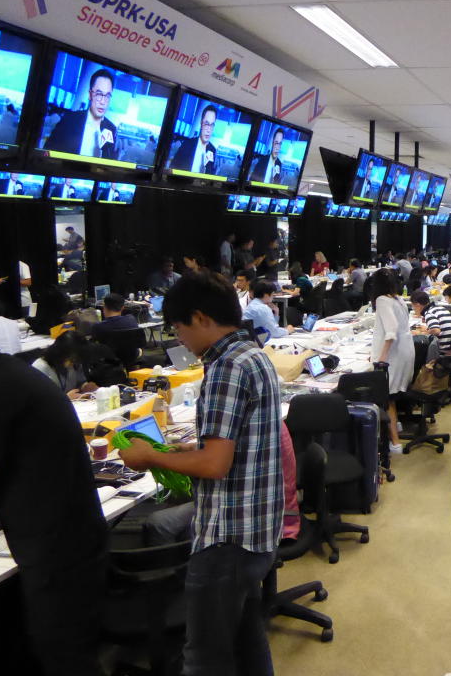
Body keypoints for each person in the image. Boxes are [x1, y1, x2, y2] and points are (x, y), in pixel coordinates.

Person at [118, 270, 283, 676]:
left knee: (204, 657)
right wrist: (193, 448)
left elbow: (215, 466)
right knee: (246, 639)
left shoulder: (225, 368)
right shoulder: (254, 355)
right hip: (257, 529)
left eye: (178, 328)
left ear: (201, 318)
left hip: (228, 536)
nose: (179, 340)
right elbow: (240, 445)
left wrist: (150, 458)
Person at [0, 348, 108, 676]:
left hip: (58, 547)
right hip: (63, 536)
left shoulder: (0, 386)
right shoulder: (12, 375)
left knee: (64, 658)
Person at [369, 268, 415, 453]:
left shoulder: (382, 300)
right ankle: (396, 427)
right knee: (393, 394)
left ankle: (394, 443)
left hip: (393, 354)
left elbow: (390, 331)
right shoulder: (398, 299)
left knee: (387, 398)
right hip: (406, 350)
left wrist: (380, 359)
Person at [42, 68, 118, 158]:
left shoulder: (111, 129)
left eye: (107, 95)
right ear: (90, 95)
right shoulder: (69, 120)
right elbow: (47, 153)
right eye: (98, 94)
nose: (103, 101)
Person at [31, 331, 98, 399]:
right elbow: (39, 402)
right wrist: (65, 398)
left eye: (76, 361)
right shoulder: (39, 369)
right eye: (72, 360)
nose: (72, 364)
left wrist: (85, 387)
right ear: (59, 353)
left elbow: (80, 382)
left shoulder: (74, 364)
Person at [171, 104, 218, 174]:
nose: (209, 130)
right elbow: (172, 169)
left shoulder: (213, 150)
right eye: (206, 123)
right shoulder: (187, 145)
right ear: (201, 123)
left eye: (212, 125)